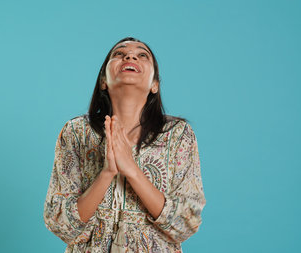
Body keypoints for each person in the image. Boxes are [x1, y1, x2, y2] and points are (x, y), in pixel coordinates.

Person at [43, 37, 206, 252]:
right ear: (103, 80)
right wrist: (107, 172)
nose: (130, 56)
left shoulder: (178, 135)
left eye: (142, 55)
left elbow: (186, 222)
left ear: (155, 84)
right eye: (119, 54)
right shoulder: (76, 132)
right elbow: (61, 224)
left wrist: (131, 169)